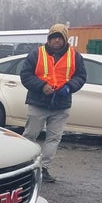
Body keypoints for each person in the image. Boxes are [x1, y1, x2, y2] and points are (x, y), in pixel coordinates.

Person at [19, 23, 87, 183]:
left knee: (53, 138)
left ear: (65, 39)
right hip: (38, 102)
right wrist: (41, 86)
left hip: (61, 105)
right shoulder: (36, 54)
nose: (56, 40)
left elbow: (81, 76)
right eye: (53, 37)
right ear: (49, 39)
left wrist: (69, 87)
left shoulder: (75, 56)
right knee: (30, 135)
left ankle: (44, 169)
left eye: (59, 37)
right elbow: (25, 75)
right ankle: (23, 167)